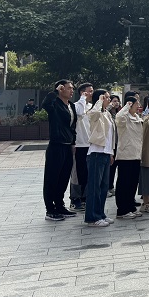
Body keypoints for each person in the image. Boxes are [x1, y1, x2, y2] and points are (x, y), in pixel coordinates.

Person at [41, 80, 78, 221]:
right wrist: (55, 91)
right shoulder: (54, 104)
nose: (71, 90)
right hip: (56, 146)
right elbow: (45, 104)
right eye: (68, 88)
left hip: (68, 146)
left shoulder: (71, 106)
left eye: (72, 88)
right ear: (61, 89)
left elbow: (72, 127)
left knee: (63, 177)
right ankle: (50, 210)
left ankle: (60, 205)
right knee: (52, 178)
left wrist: (73, 143)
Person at [84, 90, 116, 227]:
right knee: (94, 187)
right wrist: (99, 102)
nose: (108, 99)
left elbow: (110, 135)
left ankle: (100, 213)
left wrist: (111, 153)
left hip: (106, 152)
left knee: (103, 187)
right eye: (106, 97)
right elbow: (93, 114)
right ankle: (92, 217)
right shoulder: (94, 112)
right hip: (96, 152)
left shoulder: (107, 113)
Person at [114, 96, 143, 219]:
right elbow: (119, 117)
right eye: (136, 104)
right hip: (125, 155)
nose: (138, 106)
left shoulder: (137, 118)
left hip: (136, 154)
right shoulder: (124, 117)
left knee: (132, 183)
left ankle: (131, 207)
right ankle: (122, 210)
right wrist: (126, 106)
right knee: (124, 183)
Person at [72, 83, 94, 212]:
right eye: (89, 91)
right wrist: (82, 99)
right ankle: (75, 199)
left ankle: (85, 198)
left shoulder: (92, 107)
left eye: (92, 91)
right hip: (79, 144)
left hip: (90, 144)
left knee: (87, 173)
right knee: (78, 173)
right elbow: (80, 113)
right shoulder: (76, 106)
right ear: (82, 93)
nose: (91, 93)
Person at [106, 94, 122, 197]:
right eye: (114, 101)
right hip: (110, 143)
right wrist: (109, 106)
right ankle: (107, 187)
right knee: (110, 167)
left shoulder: (118, 113)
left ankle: (111, 186)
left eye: (117, 101)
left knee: (114, 166)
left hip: (117, 143)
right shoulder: (107, 113)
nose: (116, 103)